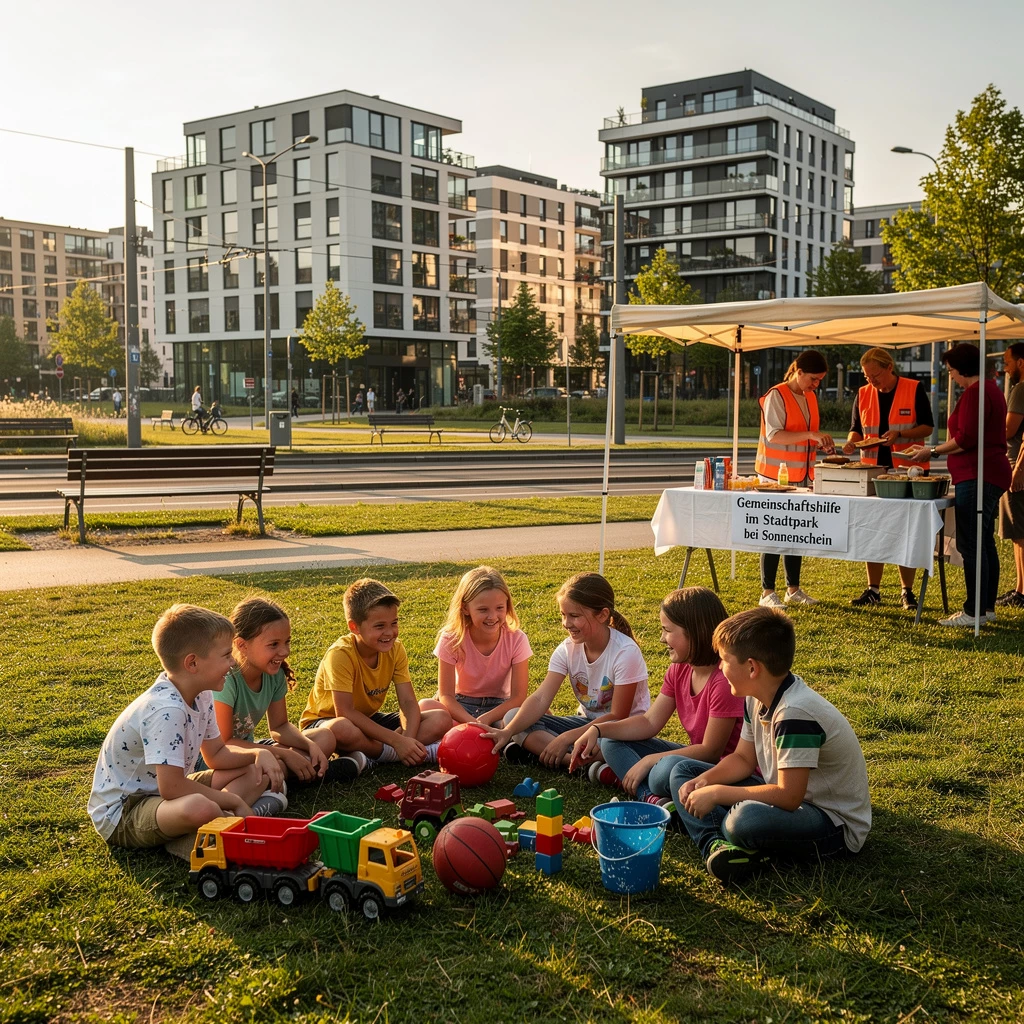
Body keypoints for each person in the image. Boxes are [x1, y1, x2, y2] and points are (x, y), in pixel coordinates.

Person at [669, 607, 871, 884]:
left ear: (752, 667)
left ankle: (718, 836)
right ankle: (719, 847)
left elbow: (789, 796)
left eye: (725, 660)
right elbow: (742, 758)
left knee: (744, 821)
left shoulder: (795, 713)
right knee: (684, 772)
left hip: (832, 823)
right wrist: (705, 781)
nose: (720, 667)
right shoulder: (756, 696)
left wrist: (717, 793)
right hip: (790, 805)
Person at [87, 605, 289, 856]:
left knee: (255, 771)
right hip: (126, 811)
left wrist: (258, 755)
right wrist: (233, 800)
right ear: (193, 663)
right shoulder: (166, 710)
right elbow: (172, 788)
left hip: (164, 796)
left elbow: (215, 755)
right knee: (199, 807)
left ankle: (212, 828)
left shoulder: (203, 694)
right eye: (226, 655)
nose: (232, 663)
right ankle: (214, 830)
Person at [568, 587, 743, 803]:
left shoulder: (723, 680)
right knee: (611, 741)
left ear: (695, 631)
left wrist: (650, 760)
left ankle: (638, 786)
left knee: (666, 770)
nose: (661, 638)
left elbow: (711, 751)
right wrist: (598, 729)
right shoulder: (680, 669)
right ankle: (652, 799)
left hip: (721, 770)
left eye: (667, 630)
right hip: (692, 760)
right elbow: (649, 722)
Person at [483, 572, 649, 771]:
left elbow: (618, 716)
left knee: (609, 746)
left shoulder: (625, 652)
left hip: (620, 733)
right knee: (513, 717)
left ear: (603, 615)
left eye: (574, 616)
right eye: (563, 615)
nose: (566, 623)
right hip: (584, 724)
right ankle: (575, 763)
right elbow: (541, 699)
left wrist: (566, 738)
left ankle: (565, 756)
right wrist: (508, 731)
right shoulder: (567, 649)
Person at [909, 343, 1011, 626]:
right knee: (983, 543)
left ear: (963, 368)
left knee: (972, 544)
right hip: (987, 473)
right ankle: (985, 607)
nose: (951, 375)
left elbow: (965, 439)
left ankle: (973, 611)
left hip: (978, 475)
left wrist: (932, 451)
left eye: (952, 370)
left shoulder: (976, 393)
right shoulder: (989, 389)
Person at [299, 578, 452, 767]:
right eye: (380, 626)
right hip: (325, 723)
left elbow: (407, 702)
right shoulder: (340, 654)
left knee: (441, 718)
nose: (389, 632)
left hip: (367, 720)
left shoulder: (396, 649)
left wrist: (407, 740)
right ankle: (389, 755)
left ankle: (378, 754)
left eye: (394, 623)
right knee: (342, 728)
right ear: (354, 627)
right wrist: (397, 741)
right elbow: (345, 712)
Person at [214, 598, 366, 784]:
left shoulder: (274, 675)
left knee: (324, 737)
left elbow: (279, 727)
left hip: (254, 750)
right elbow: (225, 744)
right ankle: (305, 777)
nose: (285, 651)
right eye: (274, 644)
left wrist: (308, 745)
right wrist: (284, 754)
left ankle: (288, 776)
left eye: (287, 642)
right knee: (259, 771)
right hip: (224, 760)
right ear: (241, 645)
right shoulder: (226, 680)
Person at [841, 347, 934, 611]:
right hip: (872, 471)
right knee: (872, 530)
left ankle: (907, 591)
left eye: (875, 375)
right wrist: (850, 444)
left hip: (909, 472)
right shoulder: (862, 393)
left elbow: (928, 426)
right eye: (867, 376)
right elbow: (856, 430)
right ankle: (873, 589)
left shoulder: (913, 388)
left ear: (889, 368)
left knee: (907, 532)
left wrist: (902, 434)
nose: (871, 381)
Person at [755, 350, 833, 609]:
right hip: (774, 476)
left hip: (801, 475)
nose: (816, 384)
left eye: (820, 380)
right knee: (774, 532)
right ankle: (767, 592)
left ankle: (793, 589)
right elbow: (774, 436)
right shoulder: (776, 395)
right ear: (798, 372)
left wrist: (818, 441)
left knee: (796, 533)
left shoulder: (809, 396)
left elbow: (802, 436)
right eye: (813, 378)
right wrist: (812, 434)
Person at [418, 566, 533, 728]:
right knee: (425, 706)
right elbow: (446, 695)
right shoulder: (451, 638)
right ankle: (472, 732)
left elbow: (518, 697)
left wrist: (486, 719)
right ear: (465, 608)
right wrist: (471, 721)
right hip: (460, 704)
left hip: (500, 707)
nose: (492, 617)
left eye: (499, 608)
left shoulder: (517, 639)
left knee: (530, 713)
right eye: (483, 610)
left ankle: (502, 740)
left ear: (507, 605)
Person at [996, 342, 1024, 607]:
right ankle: (1019, 589)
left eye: (1007, 362)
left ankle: (1023, 592)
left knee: (1021, 533)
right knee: (1018, 533)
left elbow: (1009, 430)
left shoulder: (1020, 389)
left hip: (1017, 468)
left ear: (1021, 363)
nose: (1004, 368)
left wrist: (1018, 469)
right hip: (1016, 465)